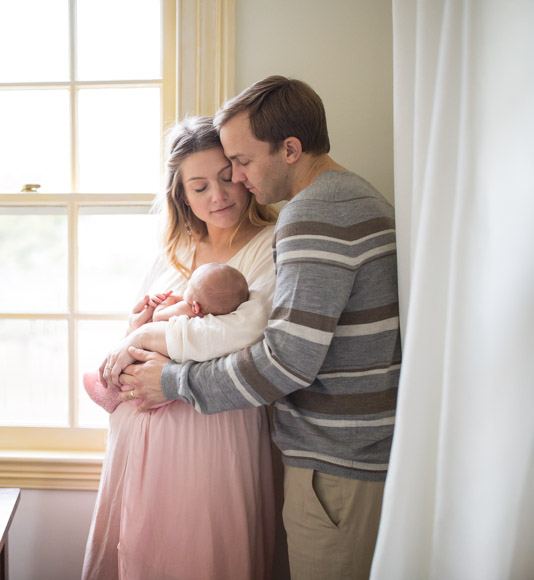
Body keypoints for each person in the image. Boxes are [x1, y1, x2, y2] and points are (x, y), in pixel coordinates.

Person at [118, 76, 401, 580]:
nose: (239, 180)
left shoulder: (312, 216)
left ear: (290, 149)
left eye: (242, 163)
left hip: (335, 466)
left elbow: (285, 361)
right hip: (349, 458)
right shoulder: (352, 198)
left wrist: (171, 381)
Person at [82, 116, 280, 580]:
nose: (218, 195)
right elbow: (142, 327)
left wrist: (148, 337)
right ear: (181, 196)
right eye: (198, 187)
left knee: (198, 550)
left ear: (243, 173)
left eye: (227, 177)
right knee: (137, 549)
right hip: (138, 434)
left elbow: (248, 333)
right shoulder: (175, 249)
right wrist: (137, 325)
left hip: (212, 431)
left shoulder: (269, 246)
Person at [83, 263, 249, 414]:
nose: (186, 286)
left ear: (196, 305)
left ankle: (109, 395)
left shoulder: (186, 308)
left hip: (155, 366)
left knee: (131, 365)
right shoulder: (210, 318)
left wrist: (165, 302)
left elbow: (158, 317)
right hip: (179, 383)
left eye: (189, 285)